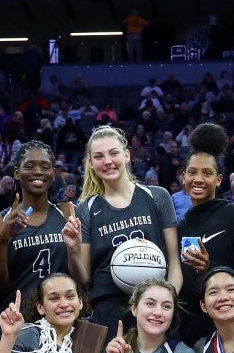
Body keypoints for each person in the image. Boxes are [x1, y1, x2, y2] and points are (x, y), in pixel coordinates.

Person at [63, 124, 182, 331]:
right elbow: (84, 279)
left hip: (154, 307)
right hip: (108, 311)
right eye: (98, 157)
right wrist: (72, 251)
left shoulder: (158, 196)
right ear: (91, 163)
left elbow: (174, 263)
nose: (107, 161)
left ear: (127, 155)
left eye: (113, 153)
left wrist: (166, 303)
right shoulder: (87, 209)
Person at [176, 122, 234, 349]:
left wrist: (210, 269)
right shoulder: (179, 228)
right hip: (190, 338)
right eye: (192, 172)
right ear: (183, 178)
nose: (198, 179)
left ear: (219, 179)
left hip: (232, 338)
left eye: (207, 173)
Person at [0, 140, 75, 307]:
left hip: (61, 316)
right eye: (30, 166)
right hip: (17, 323)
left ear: (53, 174)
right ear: (16, 173)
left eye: (45, 167)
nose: (38, 172)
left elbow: (81, 277)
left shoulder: (68, 213)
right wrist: (2, 242)